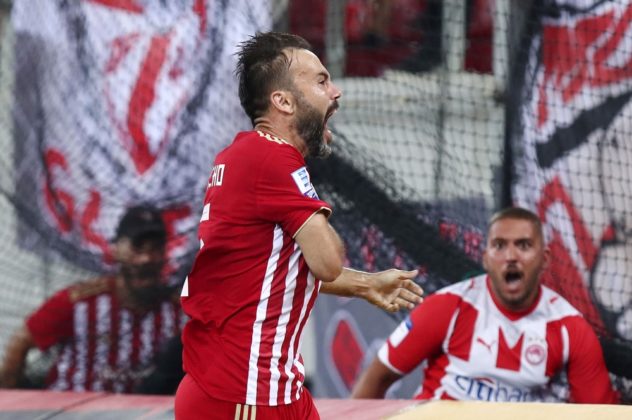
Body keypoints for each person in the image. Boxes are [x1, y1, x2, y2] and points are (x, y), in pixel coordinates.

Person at [174, 31, 424, 419]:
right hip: (245, 394)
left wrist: (365, 284)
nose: (336, 92)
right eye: (321, 82)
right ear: (284, 101)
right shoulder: (272, 158)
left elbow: (274, 273)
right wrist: (315, 207)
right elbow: (327, 262)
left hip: (265, 388)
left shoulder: (244, 154)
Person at [351, 207, 619, 404]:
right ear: (486, 258)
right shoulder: (447, 307)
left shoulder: (570, 328)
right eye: (499, 246)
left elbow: (599, 413)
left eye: (523, 245)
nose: (511, 256)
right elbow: (377, 378)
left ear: (545, 259)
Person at [0, 205, 185, 393]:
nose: (146, 258)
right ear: (115, 250)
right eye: (137, 248)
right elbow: (22, 341)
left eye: (155, 249)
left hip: (140, 406)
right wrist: (12, 398)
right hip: (70, 403)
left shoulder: (176, 310)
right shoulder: (81, 301)